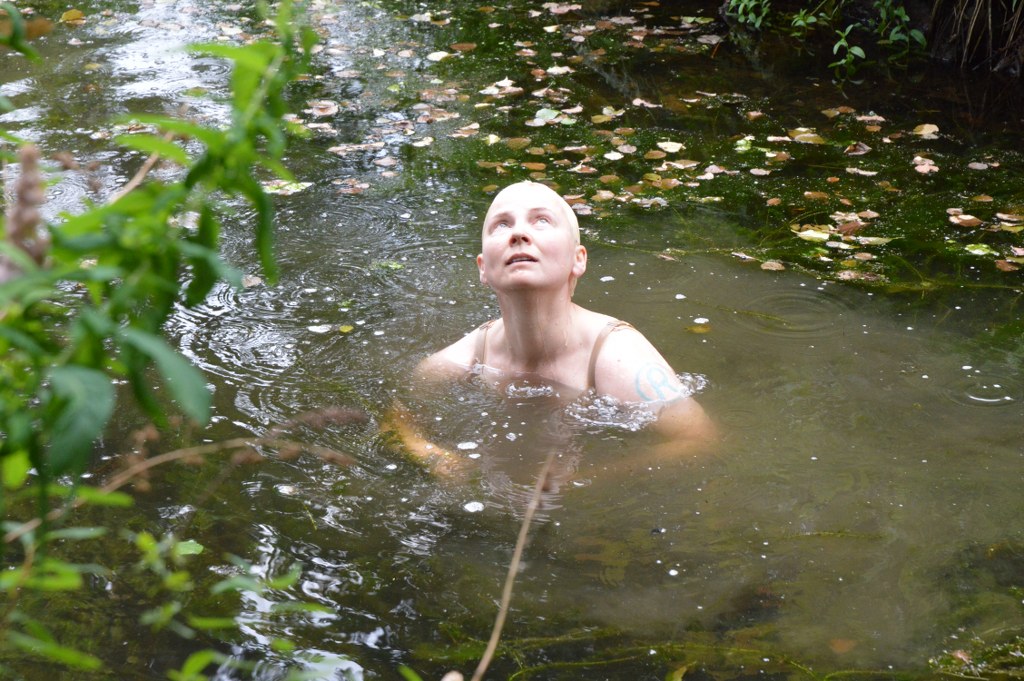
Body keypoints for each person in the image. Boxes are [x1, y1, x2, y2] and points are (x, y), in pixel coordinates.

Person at [390, 180, 715, 472]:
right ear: (483, 268)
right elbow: (399, 415)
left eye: (541, 221)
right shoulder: (463, 358)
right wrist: (432, 455)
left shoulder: (617, 357)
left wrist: (586, 482)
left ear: (578, 259)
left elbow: (700, 440)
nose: (518, 234)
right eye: (502, 224)